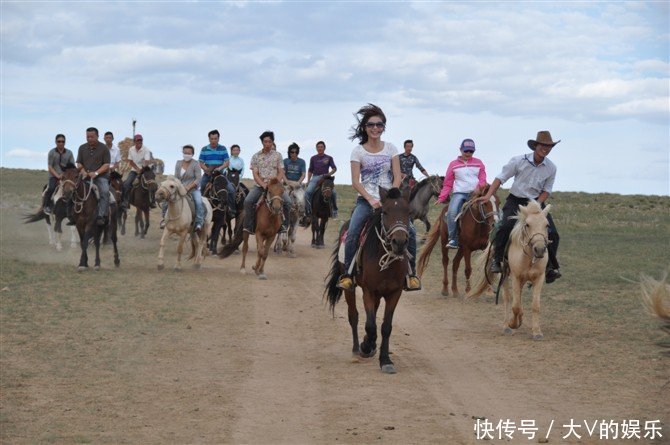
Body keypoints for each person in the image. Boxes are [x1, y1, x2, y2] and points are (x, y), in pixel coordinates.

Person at [337, 104, 422, 292]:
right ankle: (348, 275)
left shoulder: (391, 148)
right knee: (352, 233)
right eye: (371, 124)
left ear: (384, 127)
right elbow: (355, 181)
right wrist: (371, 200)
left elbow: (398, 175)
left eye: (379, 124)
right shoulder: (358, 151)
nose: (375, 128)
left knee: (412, 232)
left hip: (389, 201)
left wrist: (391, 197)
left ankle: (411, 275)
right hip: (366, 200)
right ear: (365, 127)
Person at [477, 131, 562, 283]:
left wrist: (538, 205)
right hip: (515, 201)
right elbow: (500, 178)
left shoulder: (551, 168)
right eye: (543, 145)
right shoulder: (519, 161)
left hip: (535, 203)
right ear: (536, 145)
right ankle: (497, 260)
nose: (546, 149)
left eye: (549, 146)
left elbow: (546, 190)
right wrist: (489, 195)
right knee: (504, 227)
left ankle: (549, 267)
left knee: (553, 233)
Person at [436, 138, 487, 249]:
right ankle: (453, 239)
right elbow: (448, 183)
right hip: (459, 193)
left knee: (492, 208)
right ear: (461, 150)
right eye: (466, 151)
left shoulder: (478, 163)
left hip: (476, 193)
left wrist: (479, 188)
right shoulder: (453, 164)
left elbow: (483, 178)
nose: (468, 153)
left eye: (471, 151)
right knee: (452, 211)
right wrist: (442, 197)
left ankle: (491, 236)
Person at [242, 131, 291, 234]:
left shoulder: (278, 155)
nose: (267, 144)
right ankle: (249, 225)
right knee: (248, 201)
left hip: (275, 186)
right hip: (260, 185)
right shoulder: (256, 156)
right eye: (265, 141)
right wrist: (263, 184)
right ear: (262, 142)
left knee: (288, 202)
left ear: (272, 142)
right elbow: (255, 174)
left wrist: (275, 183)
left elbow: (281, 171)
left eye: (269, 141)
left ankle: (283, 225)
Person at [161, 145, 206, 234]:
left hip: (193, 189)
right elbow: (176, 177)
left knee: (198, 202)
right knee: (167, 200)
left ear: (192, 154)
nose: (186, 154)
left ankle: (199, 223)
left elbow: (198, 178)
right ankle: (164, 219)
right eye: (185, 153)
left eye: (189, 153)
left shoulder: (196, 164)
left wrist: (189, 187)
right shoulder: (178, 163)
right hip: (180, 188)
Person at [75, 127, 111, 226]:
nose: (89, 139)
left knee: (104, 191)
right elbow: (78, 163)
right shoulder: (82, 148)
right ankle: (73, 215)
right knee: (72, 189)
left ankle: (101, 215)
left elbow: (107, 165)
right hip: (85, 176)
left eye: (92, 137)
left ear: (97, 136)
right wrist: (83, 171)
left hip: (100, 177)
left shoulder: (104, 148)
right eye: (87, 137)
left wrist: (96, 173)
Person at [199, 129, 236, 212]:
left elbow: (227, 162)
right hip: (208, 174)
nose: (213, 140)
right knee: (201, 186)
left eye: (215, 138)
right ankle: (200, 210)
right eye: (211, 139)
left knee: (231, 190)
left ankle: (231, 209)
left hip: (220, 174)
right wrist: (207, 170)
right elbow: (201, 163)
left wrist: (219, 168)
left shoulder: (222, 148)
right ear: (209, 139)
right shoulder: (204, 149)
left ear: (218, 138)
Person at [304, 140, 338, 218]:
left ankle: (334, 210)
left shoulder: (329, 158)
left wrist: (329, 174)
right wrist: (308, 180)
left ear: (324, 148)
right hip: (315, 177)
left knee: (334, 193)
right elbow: (310, 170)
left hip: (325, 177)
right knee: (307, 192)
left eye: (321, 147)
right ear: (316, 148)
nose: (320, 148)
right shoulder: (313, 158)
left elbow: (334, 168)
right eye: (318, 147)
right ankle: (308, 211)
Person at [43, 134, 75, 215]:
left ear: (65, 142)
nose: (61, 143)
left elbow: (72, 166)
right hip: (54, 176)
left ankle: (74, 208)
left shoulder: (69, 153)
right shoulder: (52, 152)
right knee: (51, 188)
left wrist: (64, 174)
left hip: (66, 176)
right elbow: (50, 166)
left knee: (74, 189)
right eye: (59, 141)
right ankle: (47, 206)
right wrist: (57, 176)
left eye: (63, 141)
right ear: (56, 142)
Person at [121, 133, 152, 209]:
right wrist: (137, 169)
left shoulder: (146, 150)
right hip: (134, 170)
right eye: (137, 141)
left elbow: (147, 161)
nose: (139, 142)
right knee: (126, 184)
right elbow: (130, 161)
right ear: (134, 142)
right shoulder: (131, 149)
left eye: (140, 141)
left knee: (152, 183)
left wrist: (143, 169)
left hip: (144, 170)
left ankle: (152, 201)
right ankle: (125, 201)